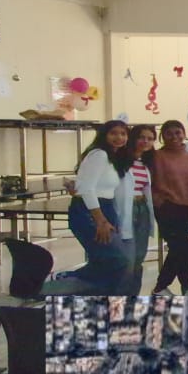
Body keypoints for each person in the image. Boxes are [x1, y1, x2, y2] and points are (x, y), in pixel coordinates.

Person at [52, 120, 133, 295]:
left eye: (123, 134)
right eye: (114, 133)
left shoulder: (114, 157)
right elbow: (87, 189)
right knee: (118, 259)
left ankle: (101, 301)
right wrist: (100, 220)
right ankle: (66, 278)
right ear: (104, 135)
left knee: (103, 261)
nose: (119, 137)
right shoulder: (99, 154)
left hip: (107, 208)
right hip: (91, 212)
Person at [151, 120, 188, 295]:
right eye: (169, 133)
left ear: (184, 133)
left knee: (187, 249)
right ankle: (161, 286)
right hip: (168, 209)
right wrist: (160, 202)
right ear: (162, 136)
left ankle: (187, 287)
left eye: (178, 132)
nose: (174, 137)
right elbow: (150, 184)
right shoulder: (157, 157)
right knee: (179, 247)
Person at [117, 125, 158, 296]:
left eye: (150, 138)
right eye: (142, 137)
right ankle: (120, 297)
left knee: (139, 256)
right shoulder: (119, 159)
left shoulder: (148, 162)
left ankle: (133, 296)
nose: (145, 141)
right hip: (125, 208)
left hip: (142, 210)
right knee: (127, 258)